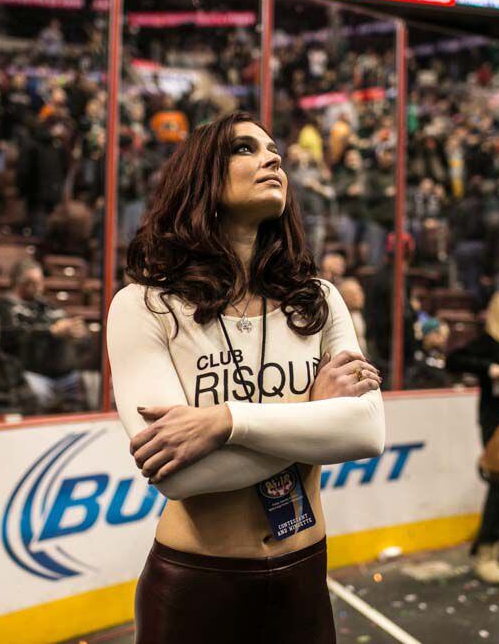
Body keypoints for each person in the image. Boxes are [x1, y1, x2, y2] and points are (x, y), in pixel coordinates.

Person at [106, 111, 384, 643]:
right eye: (245, 149)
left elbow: (366, 433)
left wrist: (224, 422)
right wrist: (313, 416)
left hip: (304, 579)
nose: (273, 157)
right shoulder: (144, 306)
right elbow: (179, 476)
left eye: (273, 148)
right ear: (201, 178)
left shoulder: (318, 299)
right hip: (197, 586)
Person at [447, 289, 499, 585]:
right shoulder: (489, 342)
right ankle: (486, 552)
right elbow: (454, 359)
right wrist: (487, 368)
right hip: (495, 422)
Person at [0, 258, 87, 413]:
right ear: (19, 282)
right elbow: (14, 334)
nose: (39, 287)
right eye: (33, 282)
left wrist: (75, 331)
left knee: (83, 388)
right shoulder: (5, 307)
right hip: (32, 374)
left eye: (40, 281)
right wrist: (51, 331)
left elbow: (63, 322)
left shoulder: (46, 305)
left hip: (64, 374)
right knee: (35, 398)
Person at [405, 318, 453, 388]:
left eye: (446, 335)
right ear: (428, 334)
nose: (444, 338)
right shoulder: (417, 355)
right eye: (439, 333)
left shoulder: (440, 353)